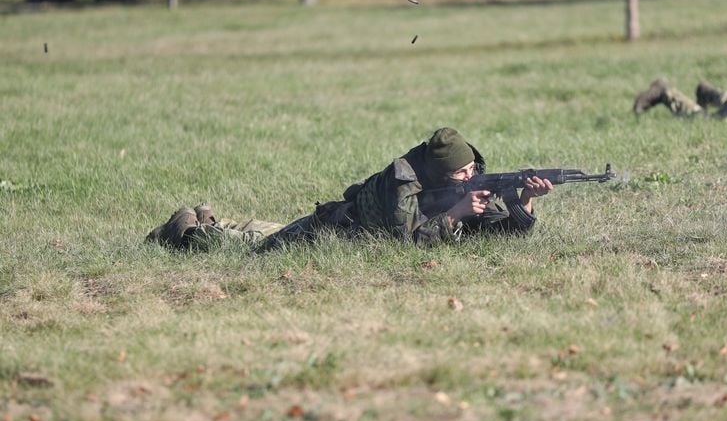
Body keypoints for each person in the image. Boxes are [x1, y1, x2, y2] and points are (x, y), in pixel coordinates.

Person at [145, 127, 554, 250]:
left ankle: (209, 216)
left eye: (472, 169)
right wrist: (458, 213)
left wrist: (525, 200)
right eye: (461, 172)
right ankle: (185, 229)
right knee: (254, 247)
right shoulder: (402, 184)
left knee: (264, 228)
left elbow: (502, 228)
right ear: (439, 171)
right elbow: (406, 240)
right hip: (332, 232)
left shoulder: (453, 183)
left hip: (334, 224)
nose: (470, 177)